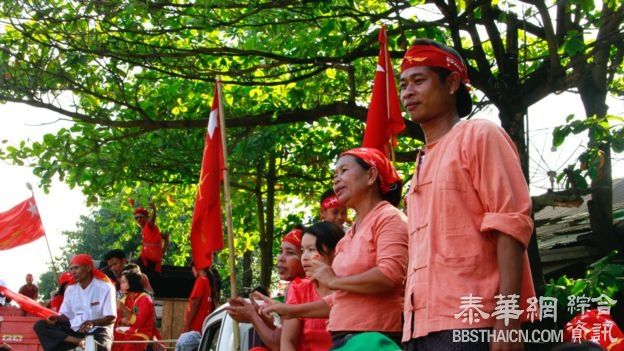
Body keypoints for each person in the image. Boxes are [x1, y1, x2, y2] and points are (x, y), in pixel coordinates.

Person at [399, 39, 535, 350]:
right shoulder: (422, 159)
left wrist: (507, 320)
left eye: (419, 81)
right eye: (404, 84)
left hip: (472, 323)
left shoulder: (479, 134)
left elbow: (511, 224)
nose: (407, 92)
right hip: (418, 329)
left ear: (452, 83)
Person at [259, 148, 408, 349]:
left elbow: (390, 275)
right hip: (344, 338)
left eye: (344, 171)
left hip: (373, 339)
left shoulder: (389, 218)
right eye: (334, 175)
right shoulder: (349, 235)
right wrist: (289, 310)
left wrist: (335, 280)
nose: (336, 180)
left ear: (371, 175)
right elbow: (338, 299)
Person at [226, 226, 306, 351]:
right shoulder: (301, 286)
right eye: (281, 251)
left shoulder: (298, 286)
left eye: (290, 253)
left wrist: (253, 316)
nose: (280, 258)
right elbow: (284, 333)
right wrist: (259, 314)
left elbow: (277, 344)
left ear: (306, 257)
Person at [281, 221, 344, 351]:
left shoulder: (351, 287)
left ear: (335, 252)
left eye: (312, 250)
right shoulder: (299, 288)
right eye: (303, 250)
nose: (304, 257)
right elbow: (287, 341)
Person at [34, 254, 117, 351]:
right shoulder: (70, 289)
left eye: (76, 268)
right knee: (40, 325)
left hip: (98, 330)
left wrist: (93, 323)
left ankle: (82, 345)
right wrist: (56, 318)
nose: (73, 272)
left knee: (96, 347)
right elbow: (66, 316)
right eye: (71, 269)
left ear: (88, 267)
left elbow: (111, 318)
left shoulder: (105, 287)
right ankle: (78, 342)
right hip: (76, 329)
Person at [112, 270, 155, 351]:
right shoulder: (125, 298)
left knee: (129, 343)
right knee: (113, 339)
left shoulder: (144, 299)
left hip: (140, 334)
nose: (120, 285)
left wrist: (124, 309)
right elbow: (118, 320)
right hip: (126, 331)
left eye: (123, 282)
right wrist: (123, 321)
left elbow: (138, 323)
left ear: (132, 283)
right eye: (121, 282)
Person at [181, 262, 214, 333]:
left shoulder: (201, 280)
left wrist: (187, 325)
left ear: (197, 268)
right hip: (202, 328)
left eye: (192, 269)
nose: (192, 272)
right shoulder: (208, 282)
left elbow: (195, 303)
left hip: (195, 329)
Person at [134, 203, 163, 273]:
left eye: (141, 217)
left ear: (146, 218)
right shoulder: (146, 229)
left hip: (151, 260)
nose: (138, 219)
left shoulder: (149, 225)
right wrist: (162, 252)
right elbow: (167, 236)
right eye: (136, 218)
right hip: (147, 259)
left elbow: (152, 220)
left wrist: (154, 210)